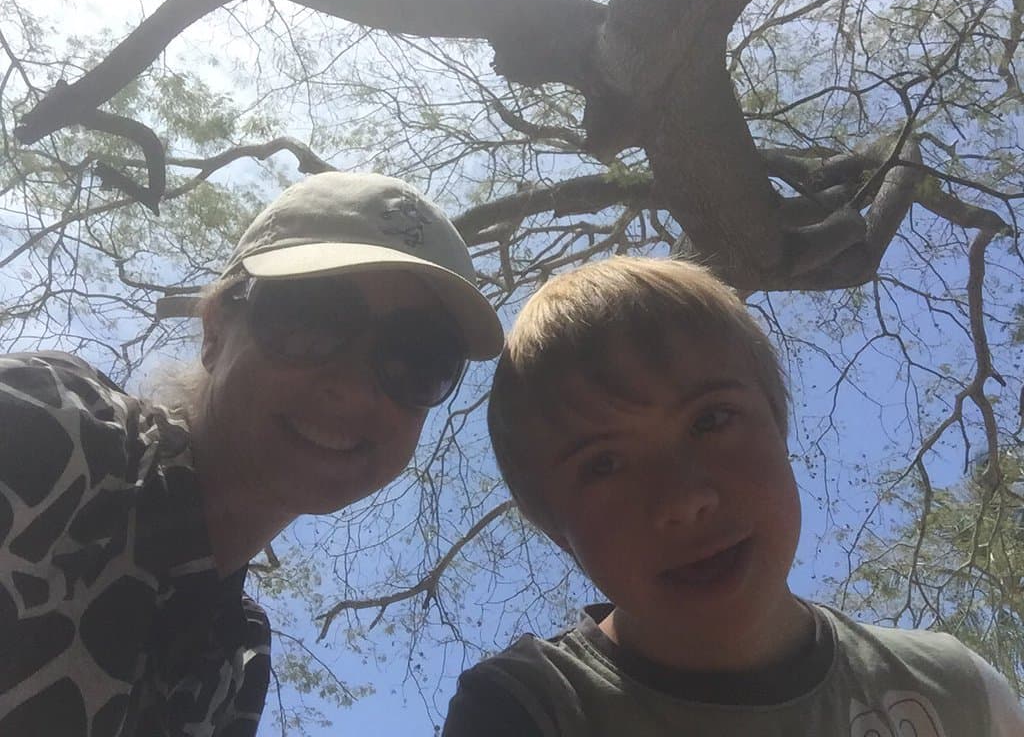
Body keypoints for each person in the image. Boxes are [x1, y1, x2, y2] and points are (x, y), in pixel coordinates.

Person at [0, 172, 503, 736]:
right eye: (309, 318)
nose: (356, 388)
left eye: (419, 358)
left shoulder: (238, 663)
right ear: (215, 329)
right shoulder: (53, 430)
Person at [444, 255, 1024, 737]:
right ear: (555, 529)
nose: (684, 500)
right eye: (604, 464)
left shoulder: (954, 690)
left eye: (711, 421)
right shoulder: (527, 709)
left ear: (779, 426)